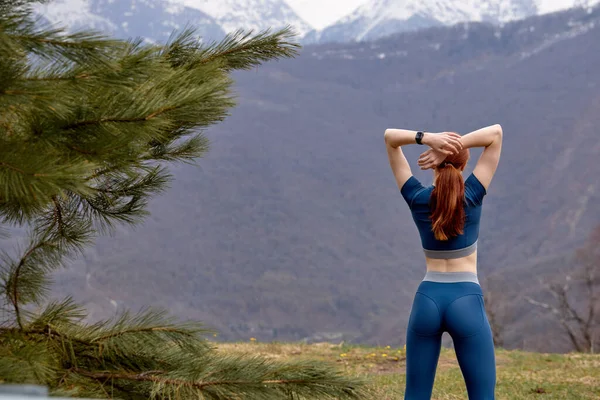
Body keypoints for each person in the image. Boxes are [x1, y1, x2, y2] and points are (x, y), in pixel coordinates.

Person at [384, 125, 503, 400]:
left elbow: (390, 139)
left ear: (434, 162)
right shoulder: (471, 196)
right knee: (482, 395)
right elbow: (495, 134)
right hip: (466, 299)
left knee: (415, 394)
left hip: (427, 299)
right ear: (463, 163)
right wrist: (452, 146)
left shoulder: (417, 198)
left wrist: (428, 139)